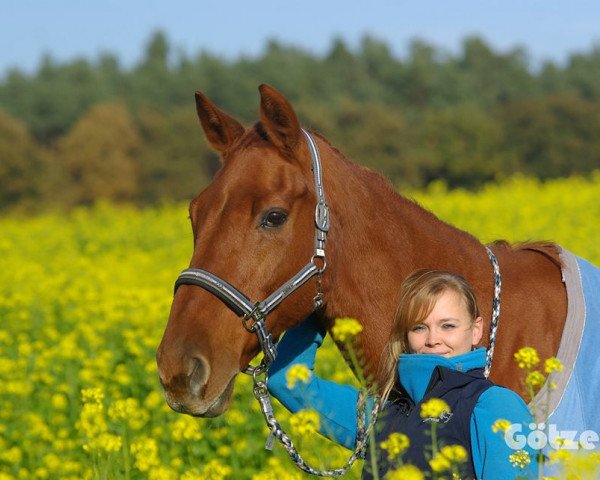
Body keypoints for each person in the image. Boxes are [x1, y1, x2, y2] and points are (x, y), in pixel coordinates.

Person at [267, 269, 538, 479]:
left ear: (476, 330)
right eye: (419, 328)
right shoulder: (381, 413)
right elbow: (286, 381)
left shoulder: (494, 405)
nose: (433, 339)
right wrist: (317, 300)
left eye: (448, 326)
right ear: (406, 337)